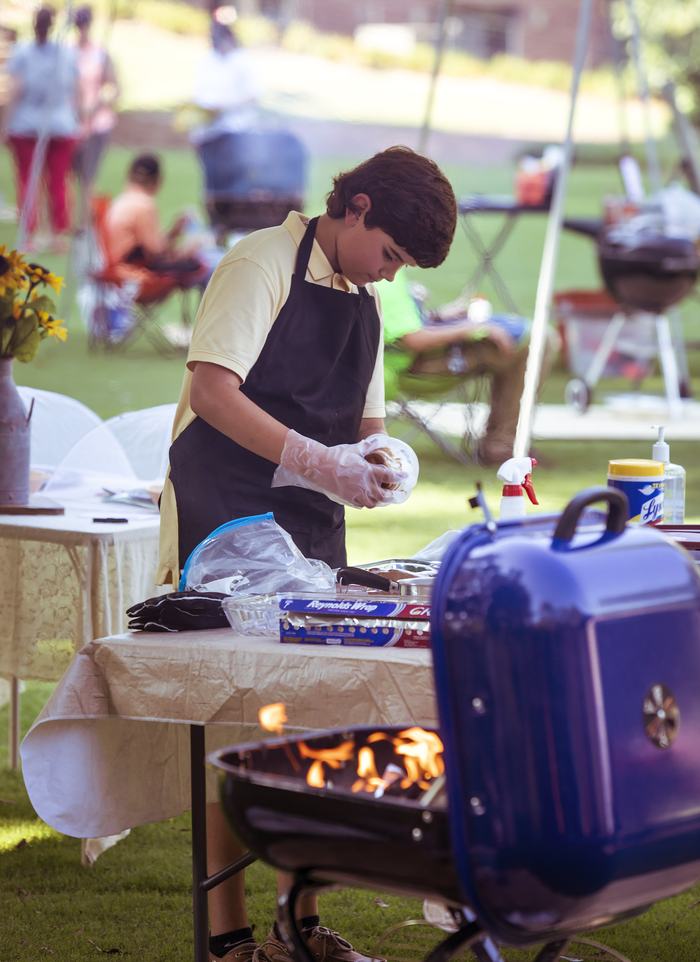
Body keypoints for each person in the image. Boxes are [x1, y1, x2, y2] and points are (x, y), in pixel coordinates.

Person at [156, 146, 457, 962]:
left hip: (311, 530)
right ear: (355, 206)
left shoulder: (365, 297)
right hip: (225, 516)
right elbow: (214, 390)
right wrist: (315, 461)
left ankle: (304, 923)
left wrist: (383, 461)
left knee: (313, 716)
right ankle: (230, 939)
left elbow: (364, 429)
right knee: (237, 717)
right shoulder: (259, 264)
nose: (391, 276)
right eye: (391, 253)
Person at [379, 271, 533, 466]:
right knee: (532, 340)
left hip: (400, 366)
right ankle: (502, 445)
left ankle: (503, 443)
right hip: (412, 371)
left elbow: (397, 326)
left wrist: (437, 315)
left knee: (530, 337)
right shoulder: (386, 268)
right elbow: (412, 339)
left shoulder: (382, 260)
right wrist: (476, 329)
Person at [3, 5, 79, 252]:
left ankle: (32, 234)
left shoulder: (26, 52)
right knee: (55, 180)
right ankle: (55, 234)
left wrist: (5, 123)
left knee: (31, 180)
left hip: (33, 123)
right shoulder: (64, 53)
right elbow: (74, 91)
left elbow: (15, 90)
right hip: (56, 123)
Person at [104, 152, 211, 289]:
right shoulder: (143, 204)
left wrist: (173, 233)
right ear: (158, 181)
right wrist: (189, 250)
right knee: (200, 265)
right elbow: (156, 254)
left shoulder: (121, 201)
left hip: (112, 269)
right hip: (129, 274)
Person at [72, 4, 119, 226]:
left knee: (88, 175)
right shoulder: (69, 52)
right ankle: (73, 218)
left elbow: (113, 87)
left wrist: (97, 105)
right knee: (71, 175)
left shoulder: (100, 53)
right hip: (72, 122)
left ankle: (85, 220)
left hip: (96, 122)